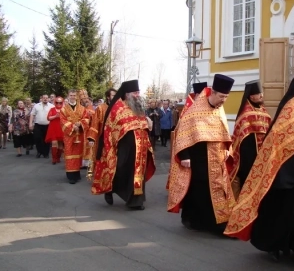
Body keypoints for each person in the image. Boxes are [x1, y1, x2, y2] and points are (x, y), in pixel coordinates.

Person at [224, 67, 294, 270]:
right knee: (287, 212)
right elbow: (280, 143)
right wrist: (287, 175)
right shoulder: (292, 109)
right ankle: (280, 247)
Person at [167, 74, 235, 234]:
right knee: (200, 190)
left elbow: (224, 132)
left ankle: (204, 221)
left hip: (216, 158)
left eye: (226, 97)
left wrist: (227, 150)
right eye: (221, 96)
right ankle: (207, 223)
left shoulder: (219, 111)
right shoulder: (195, 110)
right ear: (213, 93)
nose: (224, 100)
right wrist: (184, 156)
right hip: (199, 159)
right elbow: (183, 133)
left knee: (213, 190)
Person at [92, 80, 155, 210]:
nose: (138, 95)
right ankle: (110, 189)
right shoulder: (117, 108)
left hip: (141, 148)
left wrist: (148, 123)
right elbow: (111, 129)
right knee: (120, 170)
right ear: (127, 94)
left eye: (138, 92)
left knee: (137, 174)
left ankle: (135, 201)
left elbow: (142, 125)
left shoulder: (138, 108)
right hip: (124, 148)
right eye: (135, 92)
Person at [228, 80, 271, 199]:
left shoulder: (263, 110)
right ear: (251, 96)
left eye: (261, 93)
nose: (262, 96)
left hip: (263, 155)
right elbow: (243, 139)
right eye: (259, 94)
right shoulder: (246, 113)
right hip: (249, 157)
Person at [60, 89, 90, 184]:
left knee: (78, 155)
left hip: (79, 134)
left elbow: (86, 119)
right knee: (69, 154)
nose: (72, 97)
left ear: (76, 96)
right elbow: (62, 121)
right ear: (68, 96)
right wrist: (72, 126)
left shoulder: (82, 108)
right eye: (71, 95)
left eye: (74, 95)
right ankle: (71, 176)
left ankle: (77, 174)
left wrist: (80, 124)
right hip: (69, 135)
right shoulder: (63, 109)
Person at [87, 88, 117, 179]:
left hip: (116, 138)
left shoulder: (119, 107)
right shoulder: (101, 108)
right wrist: (91, 138)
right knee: (103, 157)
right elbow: (95, 123)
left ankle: (113, 177)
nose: (115, 97)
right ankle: (102, 177)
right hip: (103, 137)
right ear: (108, 97)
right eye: (113, 95)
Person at [45, 97, 64, 165]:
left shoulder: (64, 110)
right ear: (55, 102)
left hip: (61, 128)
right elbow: (48, 118)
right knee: (54, 143)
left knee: (60, 144)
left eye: (60, 102)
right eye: (57, 102)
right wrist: (55, 116)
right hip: (53, 128)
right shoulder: (52, 109)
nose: (58, 104)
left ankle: (58, 157)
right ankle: (54, 158)